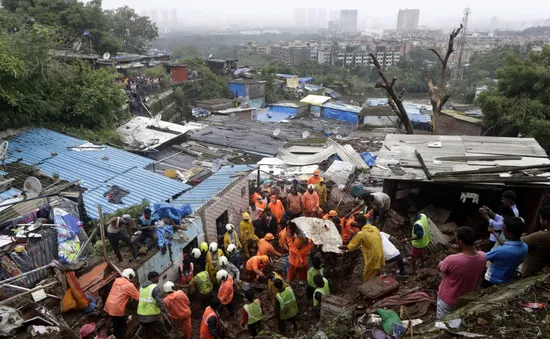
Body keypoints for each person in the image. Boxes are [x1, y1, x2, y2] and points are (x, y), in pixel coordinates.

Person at [436, 227, 487, 319]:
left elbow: (441, 268)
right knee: (459, 319)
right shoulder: (483, 256)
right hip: (466, 298)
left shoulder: (452, 259)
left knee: (443, 322)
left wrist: (440, 263)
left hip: (449, 299)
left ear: (460, 242)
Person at [483, 217, 528, 287]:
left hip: (492, 280)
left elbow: (483, 257)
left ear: (510, 234)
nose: (502, 231)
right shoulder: (525, 247)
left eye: (503, 230)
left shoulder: (502, 250)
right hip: (507, 278)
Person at [346, 215, 385, 281]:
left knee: (367, 275)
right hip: (381, 253)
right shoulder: (374, 228)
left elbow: (351, 247)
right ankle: (376, 281)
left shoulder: (361, 234)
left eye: (357, 223)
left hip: (373, 256)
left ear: (360, 223)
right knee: (375, 271)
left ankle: (371, 288)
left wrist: (346, 247)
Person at [103, 268, 140, 338]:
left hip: (109, 305)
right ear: (131, 276)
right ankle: (119, 336)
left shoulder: (117, 281)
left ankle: (123, 324)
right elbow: (139, 298)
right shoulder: (129, 285)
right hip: (117, 307)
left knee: (117, 320)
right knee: (118, 327)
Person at [137, 272, 171, 338]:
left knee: (149, 334)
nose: (158, 279)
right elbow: (160, 302)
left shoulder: (141, 288)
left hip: (141, 316)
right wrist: (166, 312)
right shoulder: (154, 288)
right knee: (163, 331)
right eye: (157, 277)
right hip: (152, 315)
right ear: (153, 278)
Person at [521, 206, 550, 277]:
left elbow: (520, 241)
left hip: (531, 273)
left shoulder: (541, 236)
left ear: (546, 221)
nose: (540, 221)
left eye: (540, 219)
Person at [404, 207, 432, 273]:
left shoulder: (417, 224)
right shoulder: (423, 216)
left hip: (419, 243)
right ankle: (423, 264)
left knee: (413, 256)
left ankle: (413, 270)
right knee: (421, 251)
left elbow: (419, 236)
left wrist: (407, 239)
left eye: (409, 214)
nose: (408, 215)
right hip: (426, 240)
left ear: (413, 214)